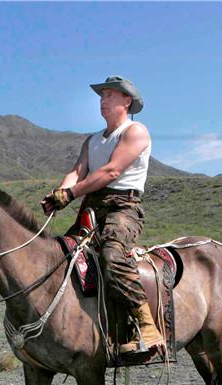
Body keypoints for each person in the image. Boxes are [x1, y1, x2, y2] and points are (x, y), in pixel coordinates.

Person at [41, 75, 165, 363]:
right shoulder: (93, 140)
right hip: (92, 206)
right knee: (60, 254)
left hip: (124, 207)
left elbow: (110, 172)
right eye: (102, 95)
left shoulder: (136, 131)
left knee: (111, 254)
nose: (103, 100)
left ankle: (145, 326)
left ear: (127, 101)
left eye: (110, 95)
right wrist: (61, 191)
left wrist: (71, 193)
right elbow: (78, 170)